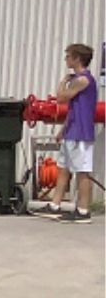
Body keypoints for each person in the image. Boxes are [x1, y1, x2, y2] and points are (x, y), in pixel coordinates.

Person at [35, 42, 97, 223]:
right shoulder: (76, 80)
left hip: (82, 133)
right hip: (72, 130)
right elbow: (72, 108)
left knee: (82, 171)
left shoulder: (83, 79)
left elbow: (61, 98)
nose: (66, 60)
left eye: (69, 56)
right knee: (63, 169)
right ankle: (55, 205)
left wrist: (63, 82)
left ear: (77, 58)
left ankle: (83, 210)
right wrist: (63, 129)